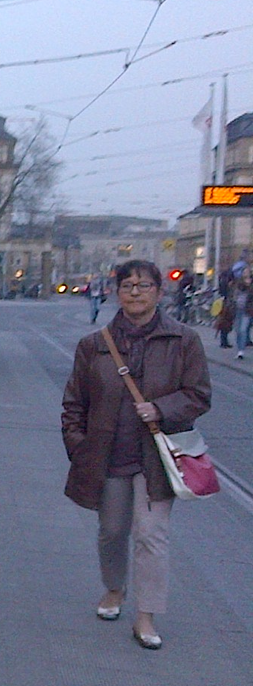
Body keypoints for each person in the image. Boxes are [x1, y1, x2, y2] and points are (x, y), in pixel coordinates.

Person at [60, 259, 209, 650]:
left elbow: (198, 395)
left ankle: (146, 617)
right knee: (112, 532)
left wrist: (160, 409)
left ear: (160, 293)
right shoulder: (93, 345)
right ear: (116, 292)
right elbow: (74, 403)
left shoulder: (184, 340)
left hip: (156, 458)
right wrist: (79, 447)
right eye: (128, 285)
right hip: (107, 455)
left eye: (144, 285)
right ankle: (113, 589)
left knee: (151, 537)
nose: (136, 292)